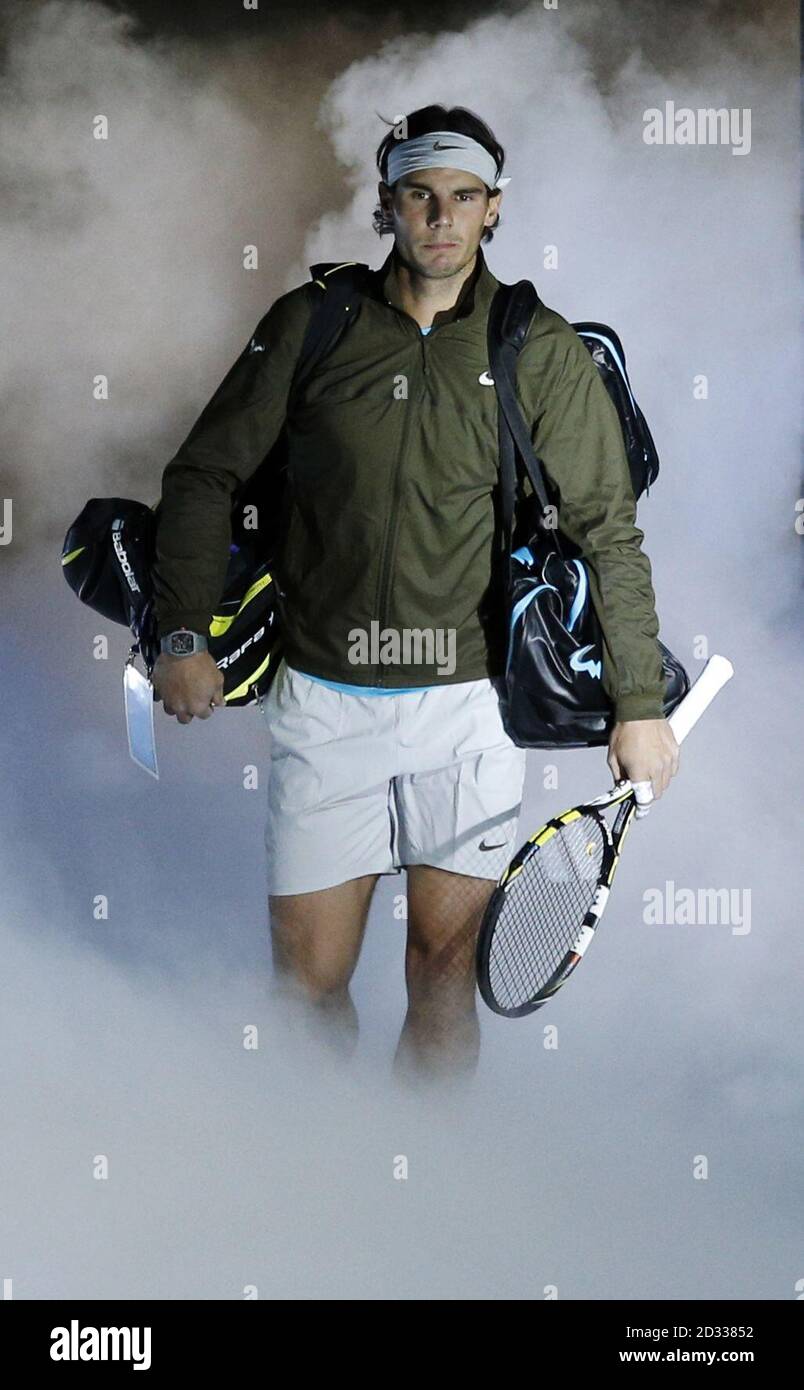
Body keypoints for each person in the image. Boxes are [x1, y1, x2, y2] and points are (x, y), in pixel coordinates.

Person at [150, 104, 679, 1081]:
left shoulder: (538, 347)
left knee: (443, 977)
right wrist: (180, 631)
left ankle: (418, 1203)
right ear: (388, 205)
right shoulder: (312, 327)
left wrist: (639, 705)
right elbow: (202, 475)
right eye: (420, 195)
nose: (442, 216)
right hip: (323, 702)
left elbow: (608, 528)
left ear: (494, 210)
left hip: (466, 713)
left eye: (464, 197)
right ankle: (316, 1199)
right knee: (306, 992)